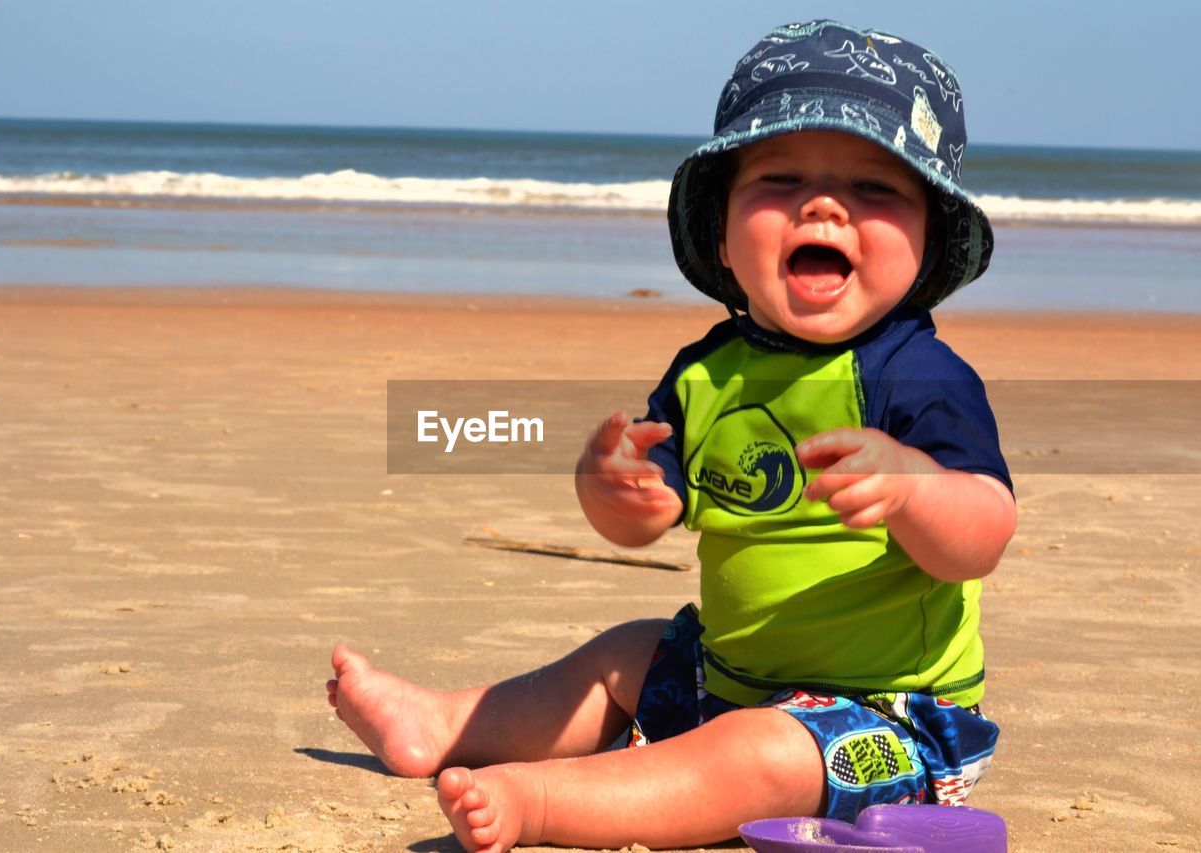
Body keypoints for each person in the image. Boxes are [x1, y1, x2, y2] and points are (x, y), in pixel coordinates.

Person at [326, 19, 1016, 853]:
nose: (824, 204)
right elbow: (642, 518)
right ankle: (444, 722)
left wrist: (914, 487)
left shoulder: (921, 376)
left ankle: (545, 802)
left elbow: (981, 534)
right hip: (729, 675)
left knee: (756, 752)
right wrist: (611, 486)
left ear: (929, 241)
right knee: (627, 653)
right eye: (781, 177)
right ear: (722, 234)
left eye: (877, 189)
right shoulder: (707, 375)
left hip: (885, 719)